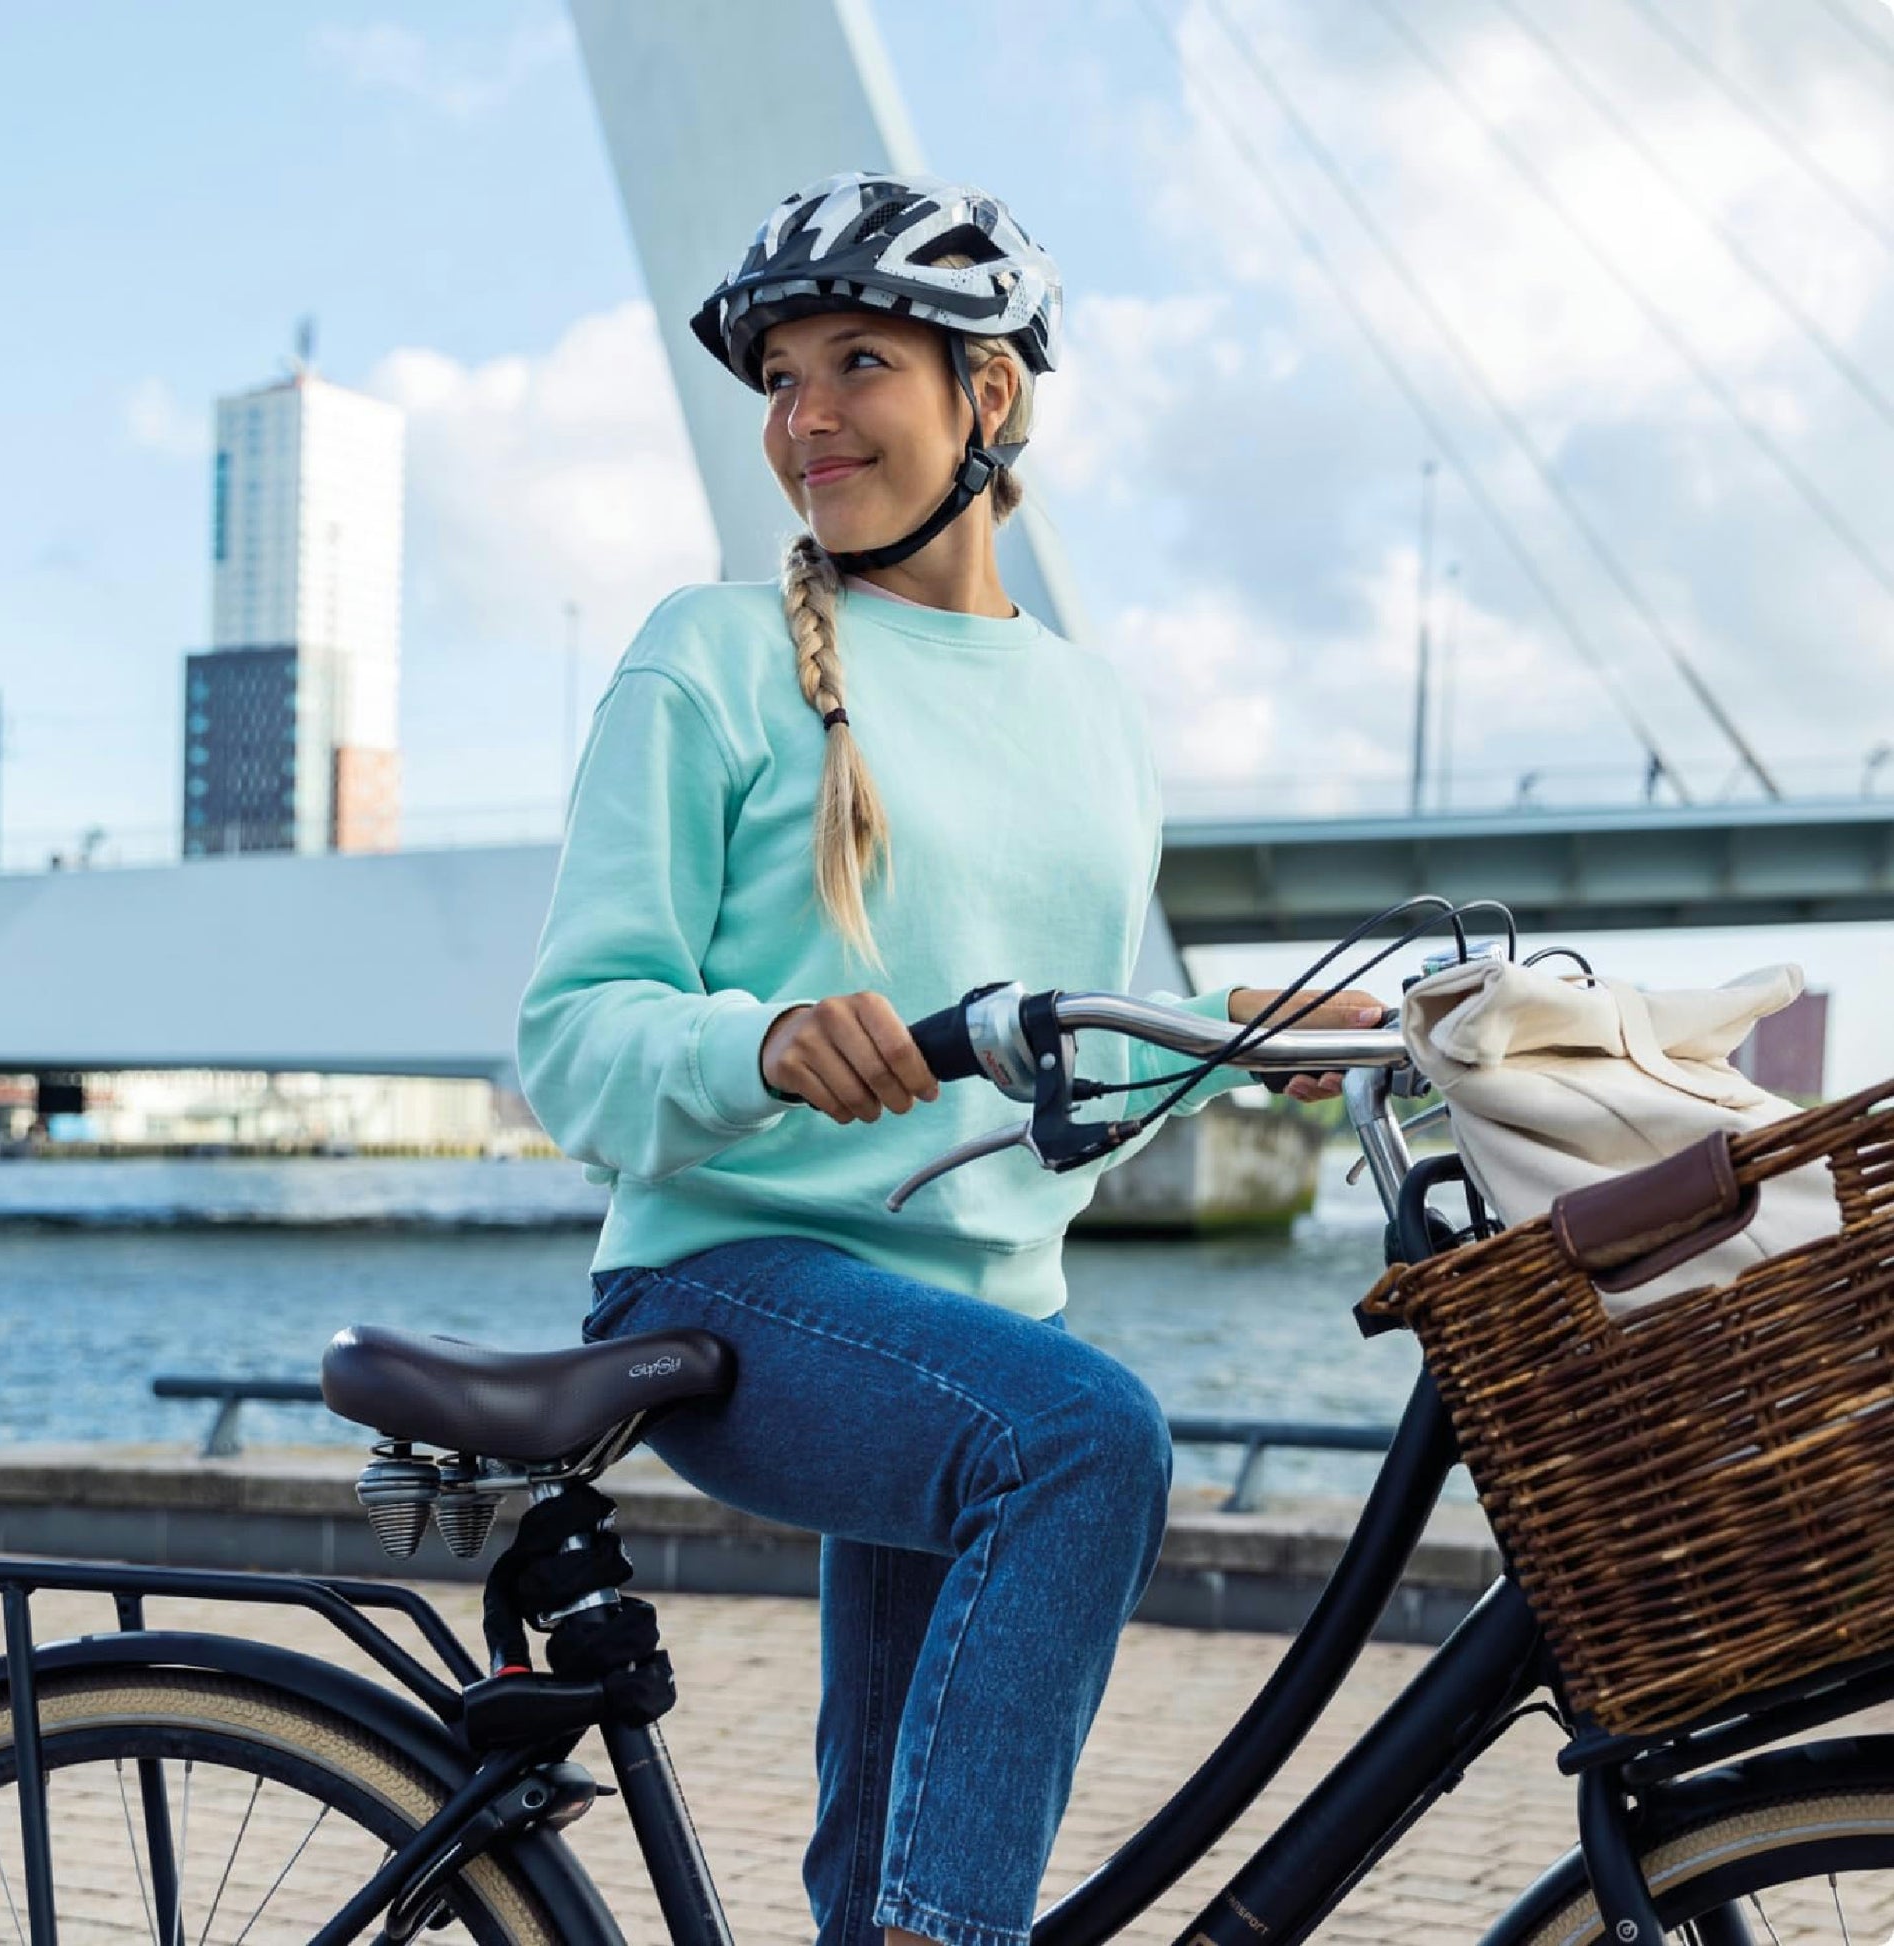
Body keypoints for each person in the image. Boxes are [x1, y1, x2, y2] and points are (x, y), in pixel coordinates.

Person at [517, 171, 1382, 1946]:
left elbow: (1058, 1086)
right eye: (776, 375)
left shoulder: (1090, 712)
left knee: (878, 1856)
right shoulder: (709, 659)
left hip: (973, 1318)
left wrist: (1253, 1045)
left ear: (985, 397)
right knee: (1086, 1445)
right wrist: (762, 1040)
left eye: (857, 362)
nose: (804, 417)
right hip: (735, 1290)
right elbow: (574, 1043)